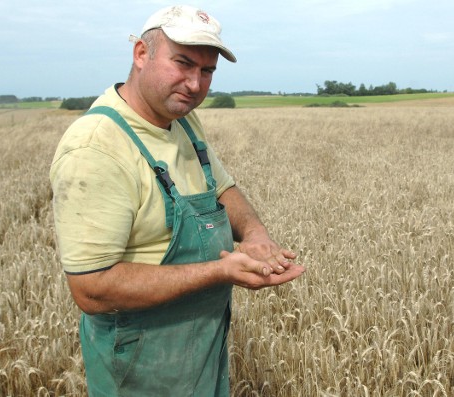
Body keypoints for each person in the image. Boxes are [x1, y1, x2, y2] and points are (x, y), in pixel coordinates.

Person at [49, 5, 305, 396]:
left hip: (202, 354)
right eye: (182, 63)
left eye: (207, 71)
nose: (194, 83)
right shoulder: (97, 147)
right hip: (140, 370)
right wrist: (218, 272)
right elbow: (92, 288)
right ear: (140, 54)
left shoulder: (181, 120)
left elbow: (220, 188)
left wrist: (255, 234)